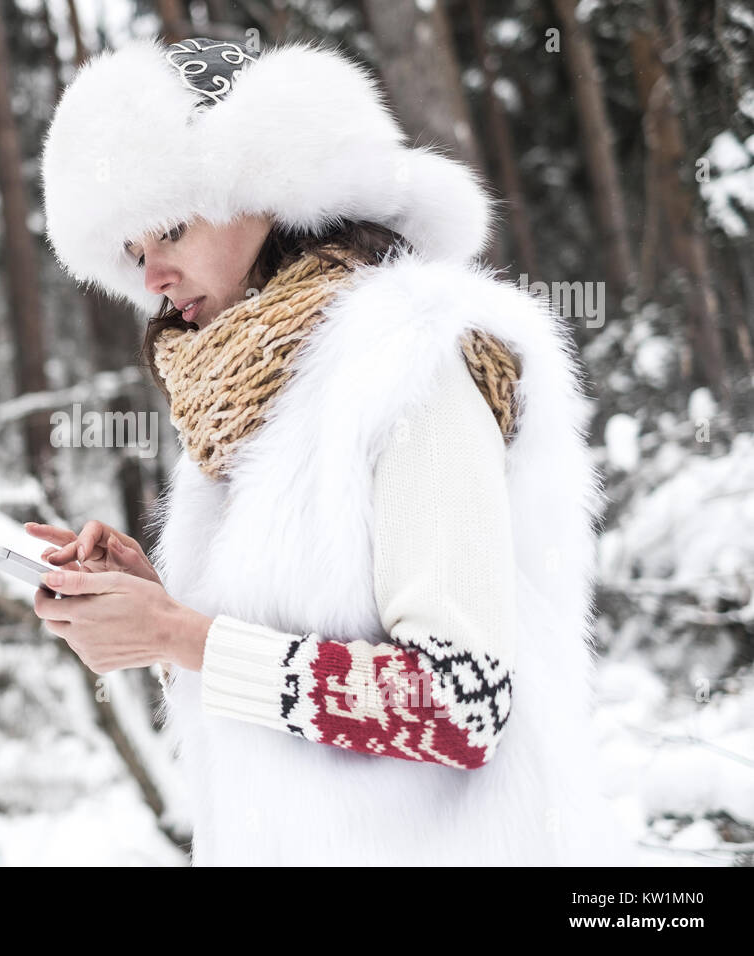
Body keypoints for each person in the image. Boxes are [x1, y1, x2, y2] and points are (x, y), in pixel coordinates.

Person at [31, 34, 637, 866]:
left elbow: (461, 704)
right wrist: (155, 607)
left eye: (168, 228)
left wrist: (180, 635)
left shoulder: (407, 360)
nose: (152, 276)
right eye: (133, 253)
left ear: (271, 189)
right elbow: (270, 706)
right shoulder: (236, 402)